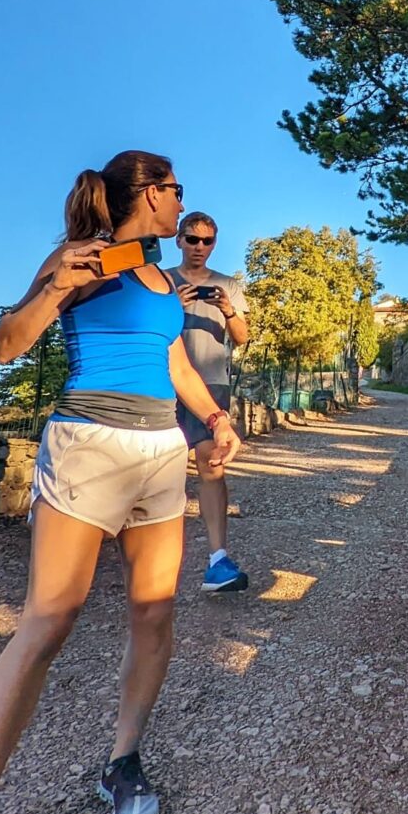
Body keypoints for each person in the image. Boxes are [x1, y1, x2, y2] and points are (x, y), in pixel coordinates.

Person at [0, 151, 240, 814]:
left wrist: (214, 416)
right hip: (87, 443)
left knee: (155, 614)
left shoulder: (160, 276)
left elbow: (172, 360)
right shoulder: (84, 257)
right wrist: (55, 286)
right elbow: (7, 344)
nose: (182, 204)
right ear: (145, 193)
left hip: (160, 450)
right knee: (48, 621)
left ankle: (122, 761)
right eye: (173, 191)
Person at [165, 211, 252, 592]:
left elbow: (242, 337)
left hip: (211, 384)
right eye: (192, 239)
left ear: (214, 244)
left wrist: (228, 310)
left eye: (207, 241)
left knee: (211, 465)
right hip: (162, 383)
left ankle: (218, 559)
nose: (199, 247)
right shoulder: (161, 281)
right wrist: (173, 307)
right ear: (179, 240)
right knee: (157, 469)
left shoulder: (228, 285)